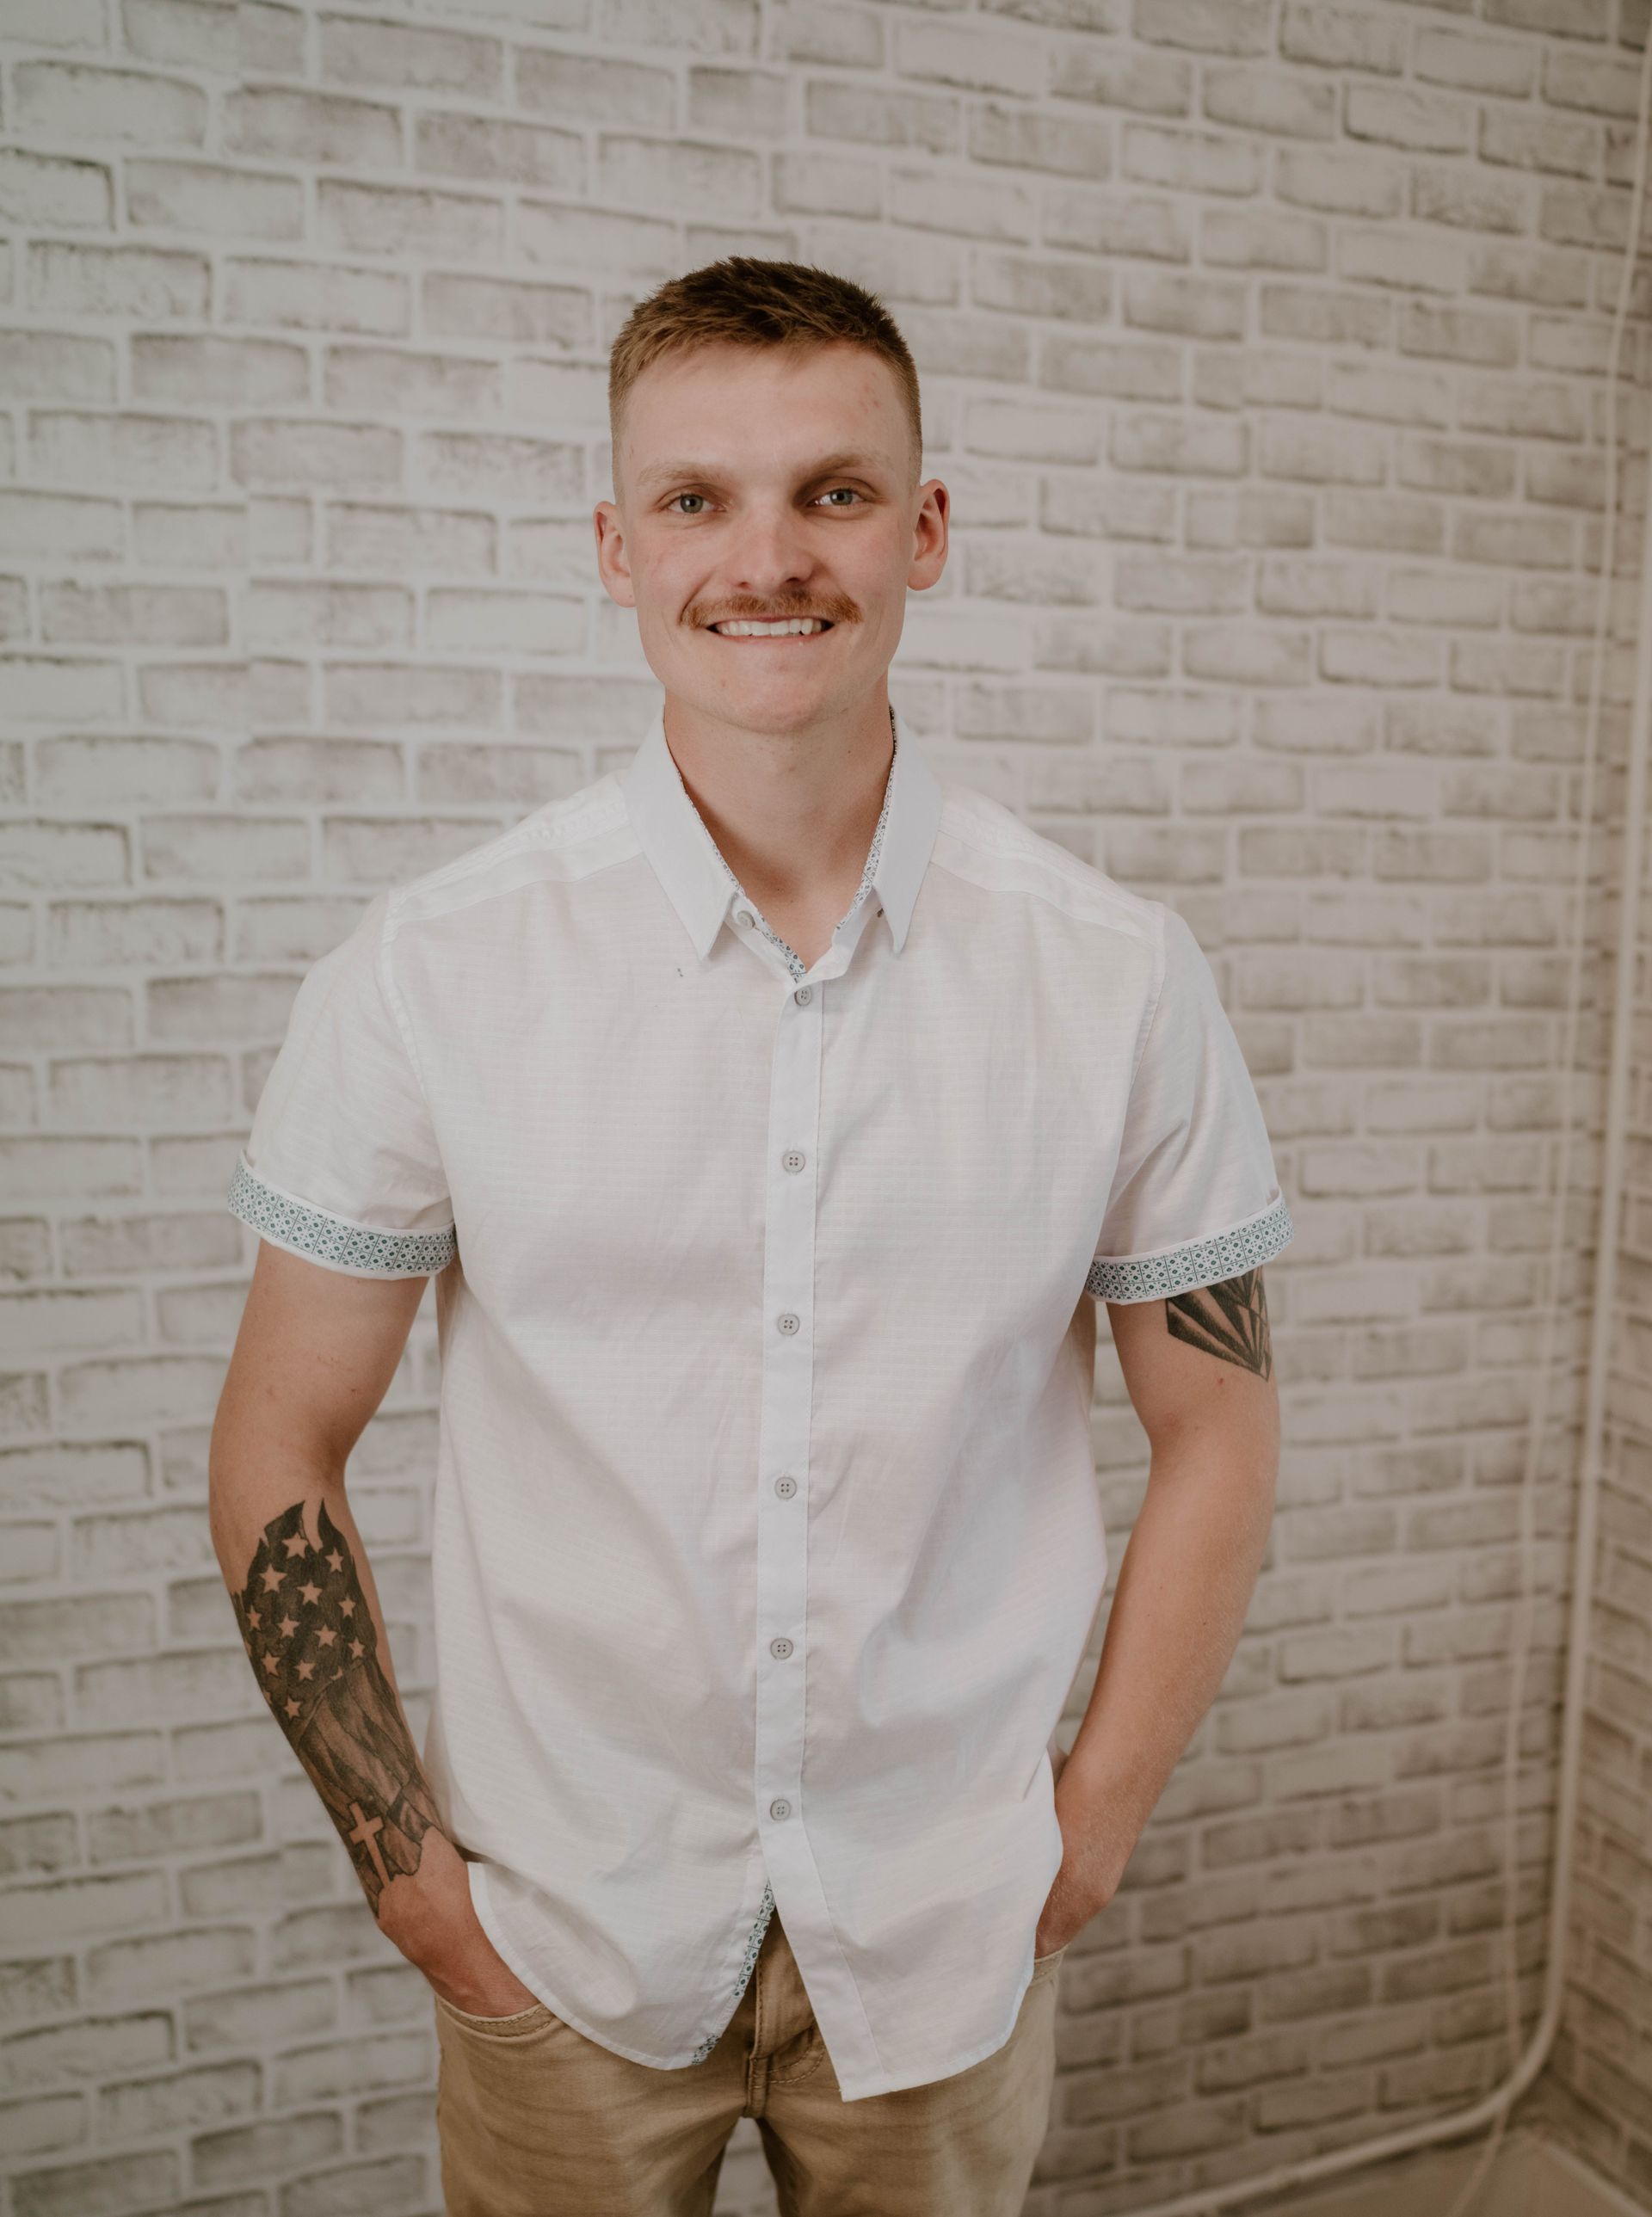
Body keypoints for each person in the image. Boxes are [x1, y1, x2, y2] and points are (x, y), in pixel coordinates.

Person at [208, 256, 1292, 2217]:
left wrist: (1093, 1827)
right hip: (561, 1938)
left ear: (927, 530)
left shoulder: (1116, 977)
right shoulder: (436, 971)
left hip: (950, 1930)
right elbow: (281, 1435)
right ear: (613, 548)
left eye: (834, 491)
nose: (766, 556)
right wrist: (414, 1879)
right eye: (698, 500)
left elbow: (1217, 1423)